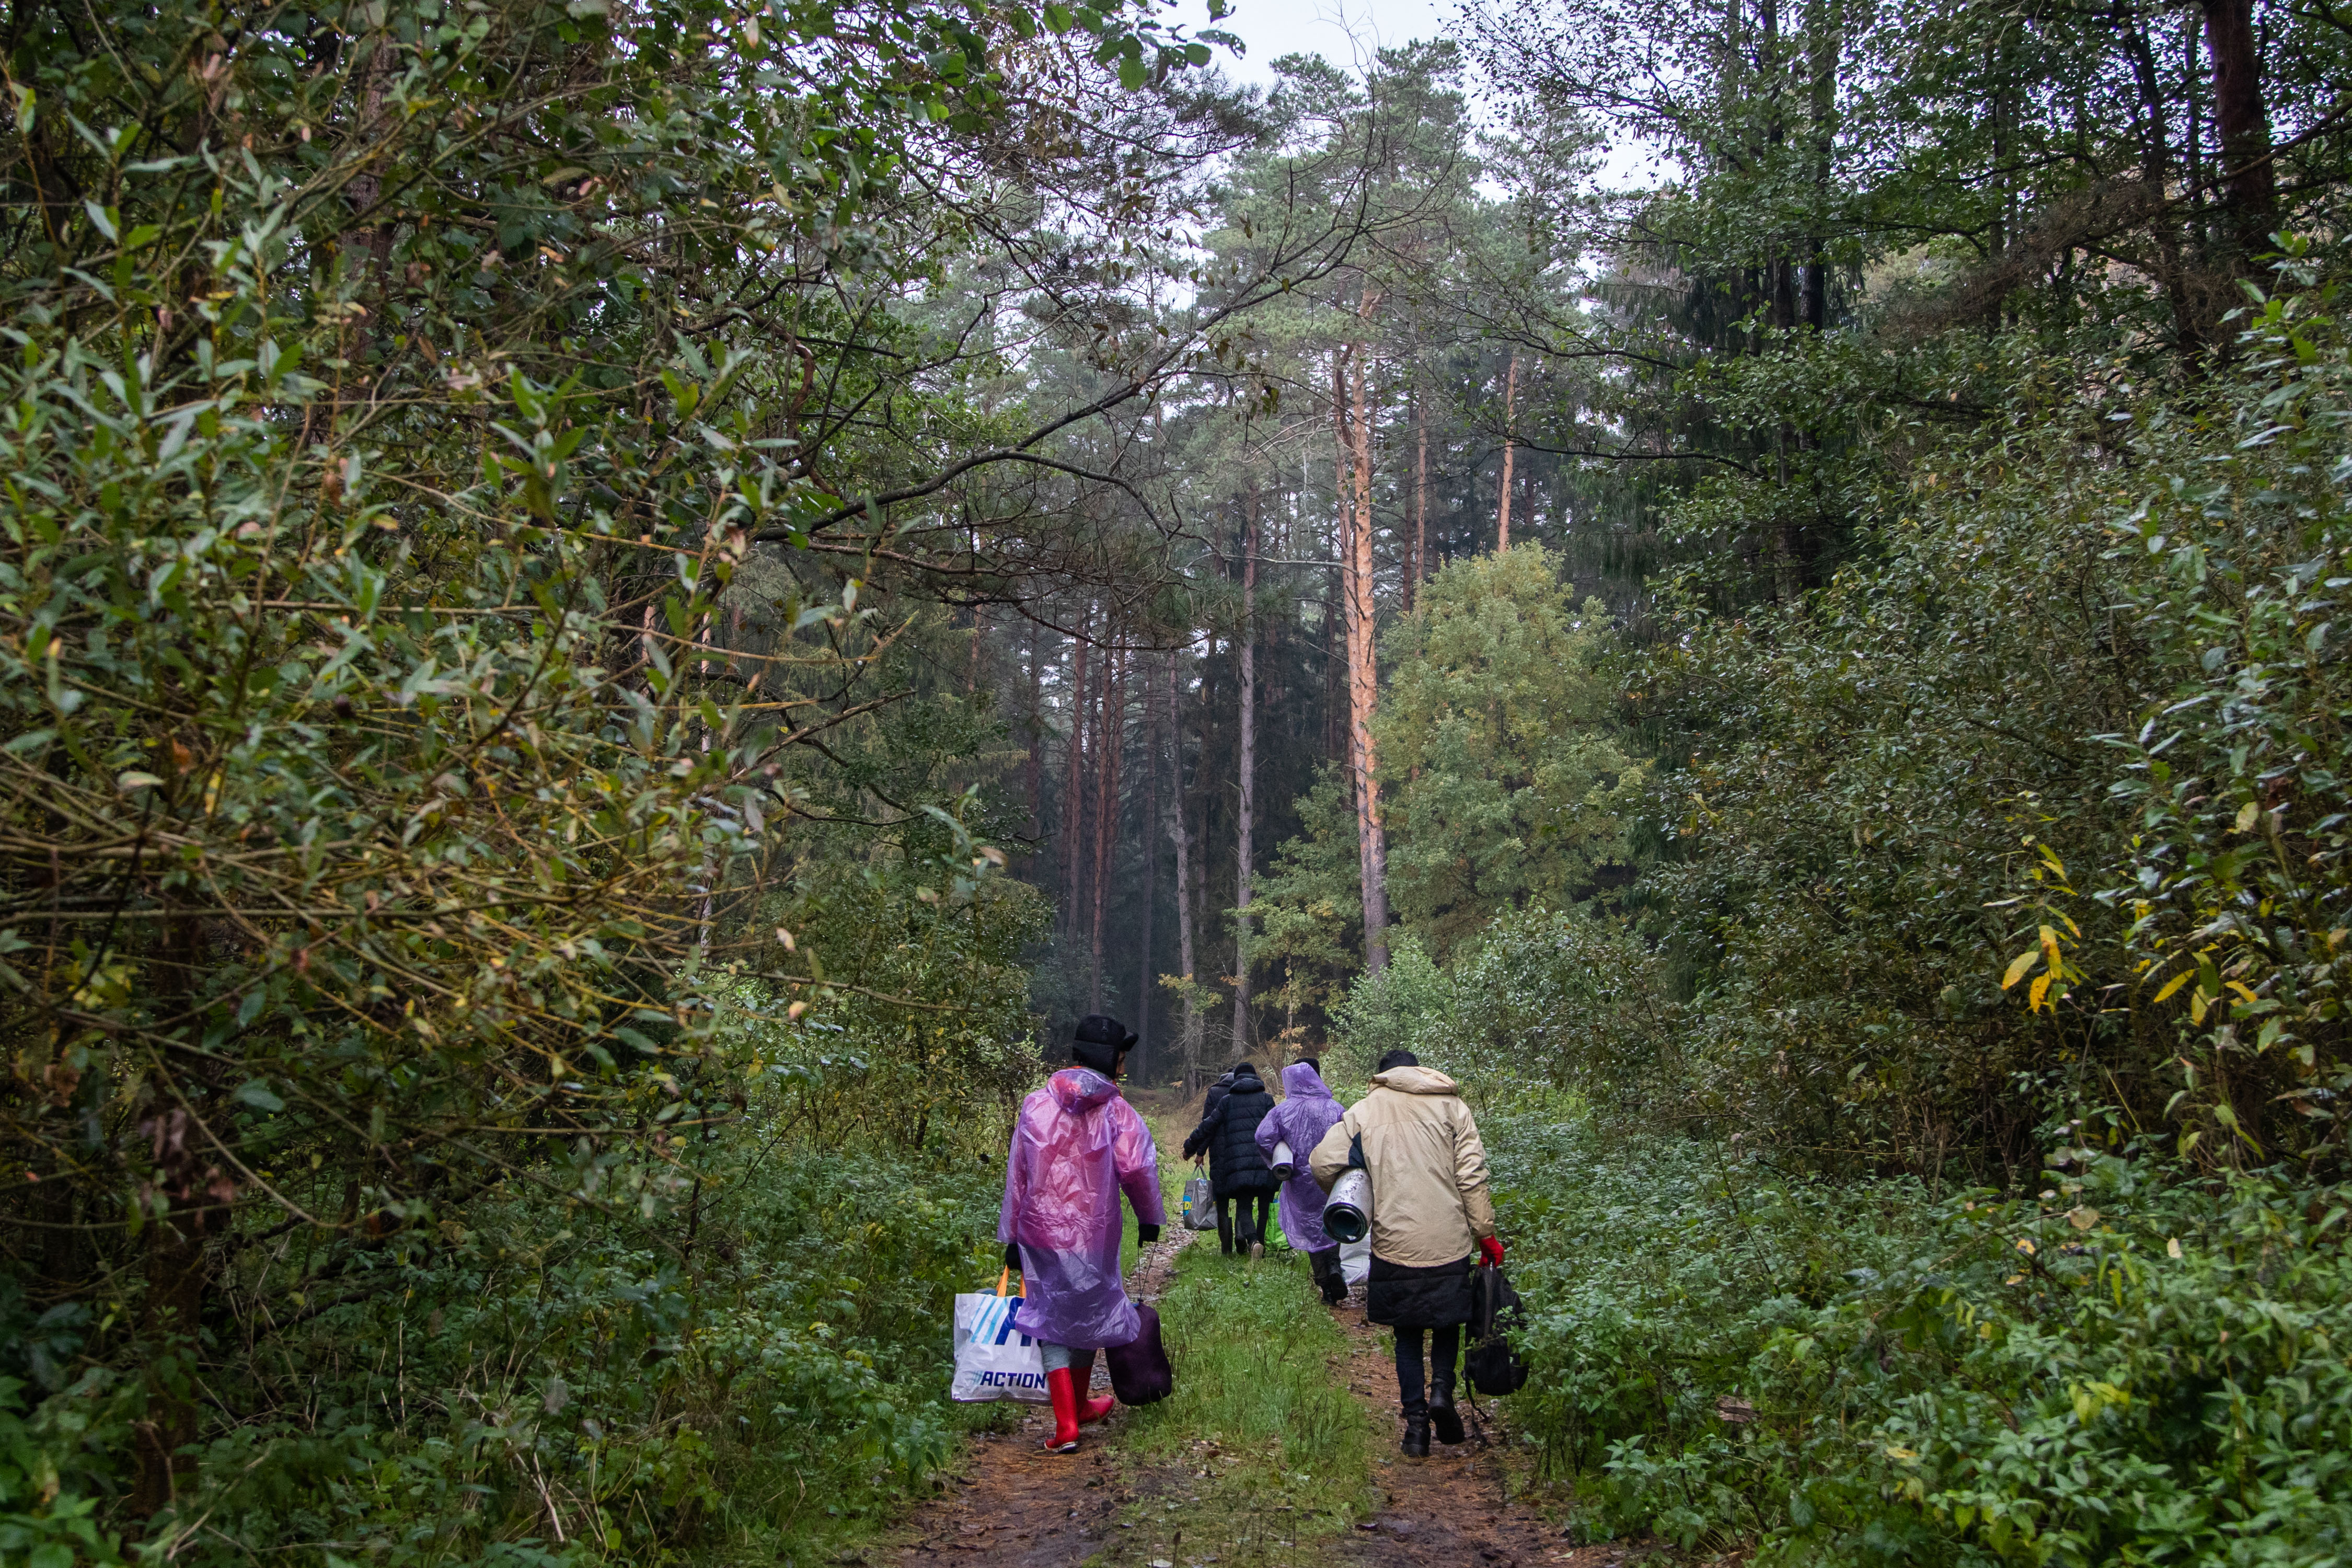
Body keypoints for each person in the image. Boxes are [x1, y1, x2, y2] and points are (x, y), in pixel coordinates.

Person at [1309, 1048, 1500, 1457]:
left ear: (1383, 1076)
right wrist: (1486, 1233)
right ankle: (1442, 1394)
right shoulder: (1453, 1106)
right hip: (1449, 1239)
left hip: (1395, 1243)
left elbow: (1322, 1161)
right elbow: (1471, 1175)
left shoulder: (1365, 1111)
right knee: (1448, 1324)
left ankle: (1416, 1428)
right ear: (1418, 1071)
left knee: (1408, 1336)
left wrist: (1355, 1192)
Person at [999, 1014, 1165, 1454]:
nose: (1124, 1068)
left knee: (1052, 1319)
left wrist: (1012, 1238)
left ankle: (1074, 1414)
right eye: (1122, 1058)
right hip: (1095, 1235)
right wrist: (1149, 1218)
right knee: (1089, 1311)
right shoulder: (1116, 1110)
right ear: (1108, 1058)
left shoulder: (1035, 1105)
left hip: (1039, 1232)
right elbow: (1137, 1168)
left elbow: (1018, 1175)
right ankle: (1070, 1422)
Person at [1255, 1059, 1350, 1304]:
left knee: (1310, 1232)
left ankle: (1326, 1288)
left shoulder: (1282, 1111)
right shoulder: (1335, 1108)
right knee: (1333, 1221)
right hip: (1331, 1177)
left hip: (1299, 1181)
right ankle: (1336, 1267)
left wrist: (1280, 1153)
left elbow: (1262, 1137)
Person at [1181, 1061, 1277, 1257]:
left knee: (1244, 1205)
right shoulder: (1267, 1099)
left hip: (1239, 1164)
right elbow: (1277, 1129)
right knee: (1264, 1206)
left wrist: (1190, 1147)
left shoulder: (1228, 1101)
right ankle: (1259, 1246)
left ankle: (1253, 1242)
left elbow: (1207, 1126)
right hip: (1265, 1162)